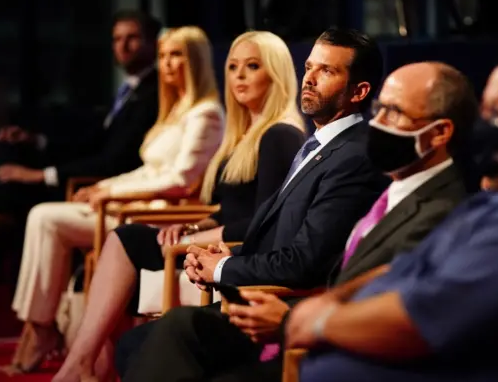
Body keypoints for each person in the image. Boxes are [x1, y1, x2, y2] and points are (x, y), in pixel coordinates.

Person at [287, 49, 498, 382]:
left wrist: (321, 321)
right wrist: (333, 300)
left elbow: (418, 324)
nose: (487, 127)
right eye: (486, 112)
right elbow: (405, 268)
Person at [124, 61, 478, 382]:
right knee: (179, 326)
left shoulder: (444, 210)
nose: (378, 123)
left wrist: (288, 321)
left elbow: (398, 311)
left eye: (394, 113)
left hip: (340, 353)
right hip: (302, 315)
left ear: (439, 132)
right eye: (379, 110)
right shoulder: (396, 187)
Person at [118, 27, 390, 381]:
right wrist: (225, 257)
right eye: (309, 67)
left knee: (173, 328)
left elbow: (307, 261)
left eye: (327, 71)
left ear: (360, 91)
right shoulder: (317, 148)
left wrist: (221, 270)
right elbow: (277, 234)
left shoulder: (353, 156)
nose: (309, 79)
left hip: (283, 310)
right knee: (132, 344)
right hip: (257, 292)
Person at [50, 30, 307, 382]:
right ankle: (86, 363)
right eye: (232, 67)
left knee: (127, 239)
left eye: (252, 66)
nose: (239, 76)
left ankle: (82, 365)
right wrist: (194, 227)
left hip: (236, 255)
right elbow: (229, 207)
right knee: (125, 239)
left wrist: (198, 236)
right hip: (213, 240)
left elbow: (264, 223)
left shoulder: (280, 135)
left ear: (276, 73)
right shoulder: (242, 135)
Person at [0, 25, 224, 377]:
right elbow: (147, 171)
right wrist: (104, 186)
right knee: (43, 216)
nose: (167, 63)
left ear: (195, 60)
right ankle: (41, 325)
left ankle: (41, 326)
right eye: (164, 55)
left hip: (156, 213)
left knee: (46, 217)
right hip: (130, 204)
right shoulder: (174, 111)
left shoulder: (206, 113)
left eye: (176, 55)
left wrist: (111, 193)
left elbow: (180, 180)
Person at [0, 10, 161, 218]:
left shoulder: (156, 93)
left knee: (11, 191)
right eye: (117, 39)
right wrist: (37, 140)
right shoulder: (128, 89)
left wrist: (41, 175)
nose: (123, 46)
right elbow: (94, 141)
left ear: (154, 43)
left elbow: (116, 159)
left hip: (110, 187)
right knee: (9, 151)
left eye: (132, 38)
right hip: (90, 179)